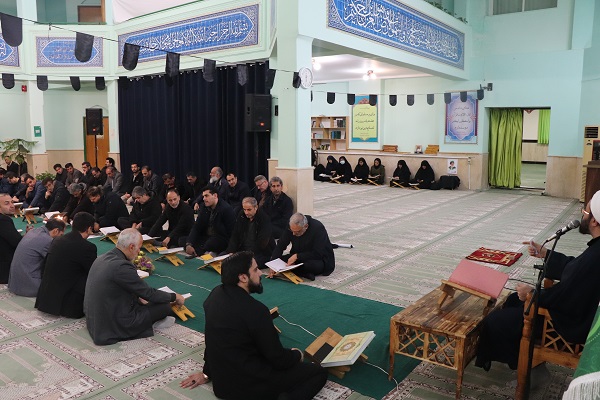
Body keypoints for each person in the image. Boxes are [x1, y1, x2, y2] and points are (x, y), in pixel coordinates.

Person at [475, 191, 600, 373]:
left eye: (585, 212)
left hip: (571, 324)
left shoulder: (594, 257)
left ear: (595, 221)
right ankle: (520, 356)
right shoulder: (595, 250)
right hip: (579, 311)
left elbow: (566, 297)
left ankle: (526, 365)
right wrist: (545, 253)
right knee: (512, 300)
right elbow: (574, 268)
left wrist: (532, 294)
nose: (582, 215)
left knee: (495, 321)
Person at [180, 251, 327, 399]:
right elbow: (278, 359)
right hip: (251, 386)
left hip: (222, 387)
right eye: (256, 270)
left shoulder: (214, 296)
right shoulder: (256, 311)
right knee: (318, 373)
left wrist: (207, 373)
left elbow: (213, 340)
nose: (260, 273)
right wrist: (297, 355)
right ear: (243, 277)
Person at [84, 228, 186, 345]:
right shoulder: (122, 266)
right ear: (131, 247)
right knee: (165, 307)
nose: (139, 251)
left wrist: (138, 297)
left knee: (144, 301)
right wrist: (174, 296)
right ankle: (149, 324)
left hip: (94, 319)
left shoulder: (102, 258)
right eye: (139, 248)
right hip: (111, 324)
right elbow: (148, 293)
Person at [35, 212, 97, 318]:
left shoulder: (57, 240)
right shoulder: (88, 247)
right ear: (89, 228)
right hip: (67, 305)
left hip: (46, 298)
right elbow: (93, 272)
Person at [8, 219, 66, 297]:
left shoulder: (33, 231)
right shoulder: (47, 240)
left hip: (14, 283)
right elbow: (57, 261)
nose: (61, 237)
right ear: (56, 231)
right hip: (29, 284)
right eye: (61, 235)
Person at [271, 213, 335, 281]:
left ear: (306, 226)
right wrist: (273, 264)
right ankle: (303, 273)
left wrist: (297, 256)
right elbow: (281, 244)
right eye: (292, 231)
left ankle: (301, 272)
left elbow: (318, 253)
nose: (293, 234)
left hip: (316, 258)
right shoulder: (291, 226)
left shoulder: (318, 228)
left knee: (312, 266)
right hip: (298, 256)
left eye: (297, 232)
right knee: (280, 260)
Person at [185, 186, 235, 257]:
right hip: (206, 237)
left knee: (210, 244)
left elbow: (232, 232)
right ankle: (202, 250)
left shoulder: (226, 209)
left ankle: (203, 251)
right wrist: (189, 244)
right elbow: (197, 227)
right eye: (203, 196)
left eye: (206, 196)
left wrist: (230, 250)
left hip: (220, 238)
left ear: (215, 196)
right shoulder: (204, 207)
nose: (204, 199)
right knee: (183, 240)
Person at [225, 197, 275, 267]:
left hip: (259, 252)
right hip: (243, 248)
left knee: (243, 265)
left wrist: (246, 255)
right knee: (225, 259)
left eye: (249, 210)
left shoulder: (264, 219)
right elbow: (235, 235)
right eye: (244, 209)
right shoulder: (242, 215)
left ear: (256, 207)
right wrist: (231, 251)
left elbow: (262, 243)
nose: (246, 212)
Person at [0, 193, 22, 283]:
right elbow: (18, 242)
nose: (12, 206)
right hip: (5, 271)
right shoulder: (3, 220)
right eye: (7, 203)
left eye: (12, 202)